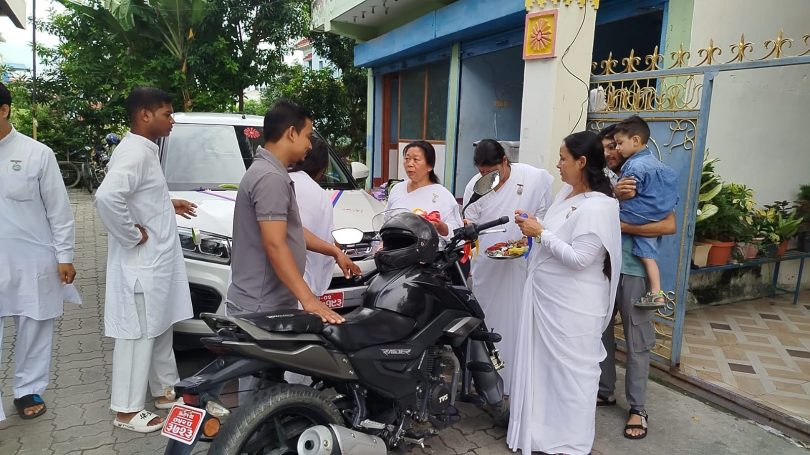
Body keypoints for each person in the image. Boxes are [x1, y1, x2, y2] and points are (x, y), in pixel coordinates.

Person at [508, 131, 622, 455]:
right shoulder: (567, 194)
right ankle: (541, 433)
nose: (557, 165)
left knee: (573, 378)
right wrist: (535, 223)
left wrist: (540, 233)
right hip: (548, 302)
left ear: (582, 162)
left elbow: (580, 259)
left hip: (574, 308)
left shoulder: (600, 206)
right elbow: (558, 230)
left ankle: (570, 441)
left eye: (563, 158)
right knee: (545, 374)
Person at [95, 87, 195, 433]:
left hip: (155, 265)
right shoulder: (134, 153)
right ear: (145, 115)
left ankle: (165, 390)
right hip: (141, 265)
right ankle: (125, 410)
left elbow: (141, 195)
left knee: (159, 328)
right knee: (137, 336)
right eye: (167, 113)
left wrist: (168, 203)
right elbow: (108, 197)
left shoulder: (144, 151)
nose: (172, 120)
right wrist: (131, 234)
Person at [226, 100, 358, 323]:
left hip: (266, 303)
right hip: (261, 307)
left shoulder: (271, 173)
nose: (309, 145)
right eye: (307, 136)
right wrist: (309, 299)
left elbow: (290, 230)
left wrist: (334, 252)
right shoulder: (270, 178)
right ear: (291, 133)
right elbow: (275, 244)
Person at [0, 82, 80, 421]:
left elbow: (59, 211)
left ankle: (27, 389)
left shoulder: (37, 154)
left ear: (3, 110)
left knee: (34, 323)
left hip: (32, 258)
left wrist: (65, 256)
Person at [597, 123, 677, 440]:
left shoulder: (637, 175)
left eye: (614, 146)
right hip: (603, 269)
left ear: (629, 144)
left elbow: (668, 225)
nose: (610, 152)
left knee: (637, 340)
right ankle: (604, 391)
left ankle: (637, 407)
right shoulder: (601, 183)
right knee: (600, 331)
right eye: (605, 148)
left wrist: (621, 226)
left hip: (633, 269)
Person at [461, 139, 553, 395]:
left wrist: (530, 232)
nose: (488, 178)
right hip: (488, 266)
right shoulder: (475, 186)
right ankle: (486, 382)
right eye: (482, 173)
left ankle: (519, 382)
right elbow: (471, 220)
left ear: (505, 161)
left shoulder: (534, 178)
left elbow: (547, 216)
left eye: (493, 172)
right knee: (487, 320)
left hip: (522, 262)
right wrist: (468, 222)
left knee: (520, 322)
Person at [612, 115, 678, 310]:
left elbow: (629, 192)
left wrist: (616, 196)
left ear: (635, 141)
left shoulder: (634, 165)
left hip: (637, 214)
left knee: (602, 215)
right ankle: (657, 293)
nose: (617, 148)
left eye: (619, 143)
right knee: (648, 256)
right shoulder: (658, 164)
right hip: (657, 213)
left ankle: (656, 294)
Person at [386, 141, 462, 238]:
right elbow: (386, 220)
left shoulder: (442, 195)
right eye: (407, 159)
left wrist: (439, 226)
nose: (409, 164)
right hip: (395, 249)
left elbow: (455, 231)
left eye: (416, 159)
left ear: (429, 166)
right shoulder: (397, 189)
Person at [289, 137, 336, 297]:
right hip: (305, 287)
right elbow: (294, 231)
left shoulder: (276, 181)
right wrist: (336, 252)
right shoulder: (319, 195)